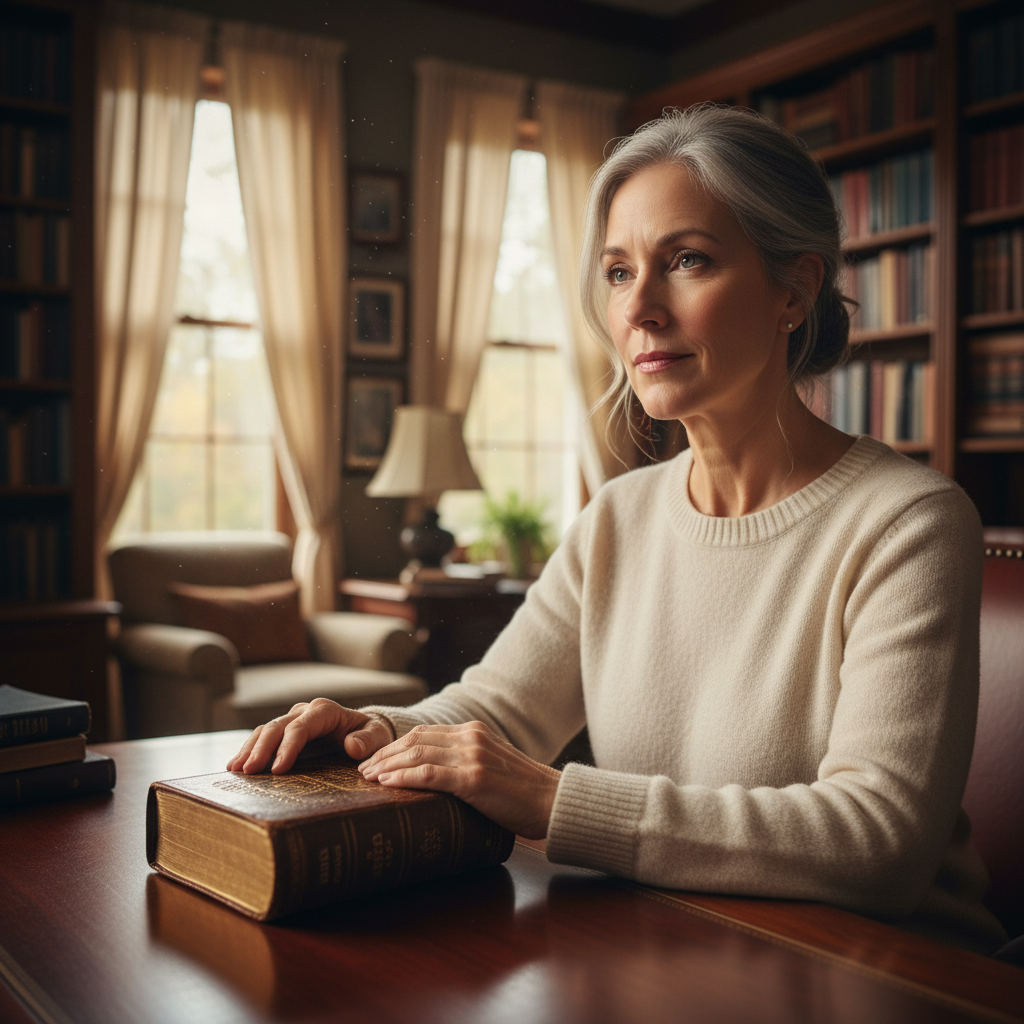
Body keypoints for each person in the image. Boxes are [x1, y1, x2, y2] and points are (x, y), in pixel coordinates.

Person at [229, 103, 1006, 954]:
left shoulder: (908, 521)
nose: (640, 308)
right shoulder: (619, 518)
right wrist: (370, 727)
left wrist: (557, 803)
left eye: (687, 261)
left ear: (795, 289)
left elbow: (876, 841)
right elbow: (496, 712)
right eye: (617, 271)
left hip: (894, 976)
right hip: (678, 944)